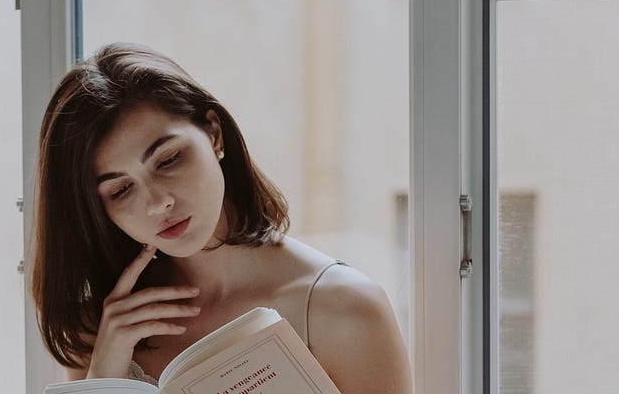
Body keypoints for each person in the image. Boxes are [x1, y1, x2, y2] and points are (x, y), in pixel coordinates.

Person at [28, 43, 413, 393]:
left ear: (214, 134)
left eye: (168, 160)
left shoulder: (346, 309)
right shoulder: (100, 329)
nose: (157, 202)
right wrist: (103, 378)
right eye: (121, 190)